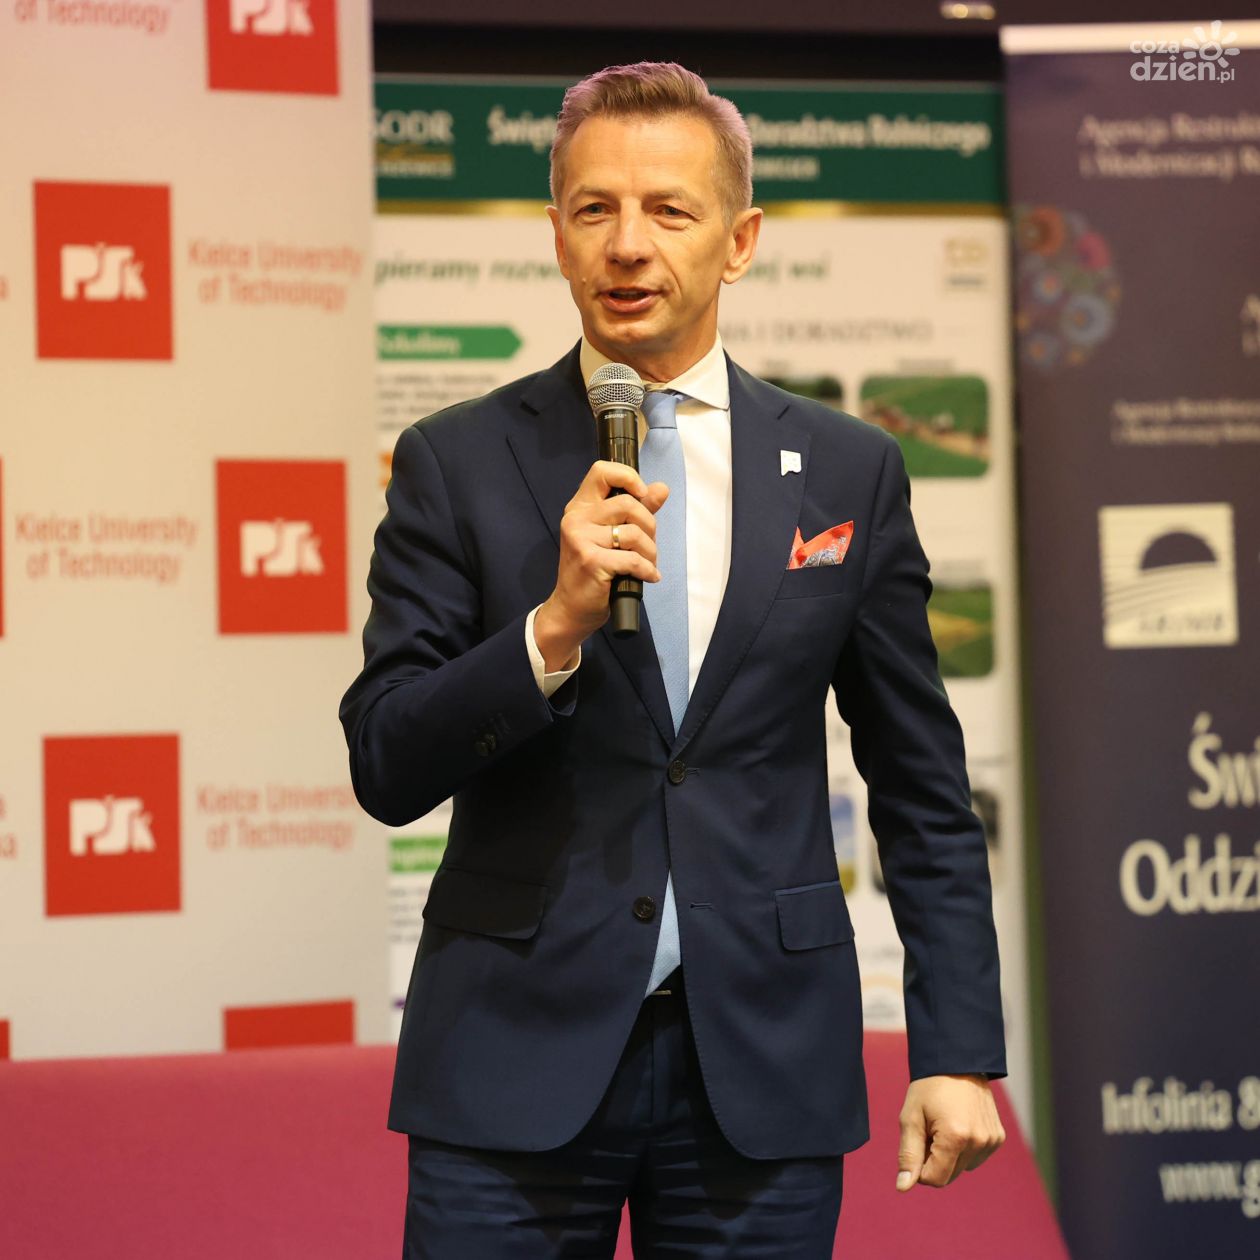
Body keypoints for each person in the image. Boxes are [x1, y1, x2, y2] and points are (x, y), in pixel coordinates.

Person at [341, 61, 1007, 1259]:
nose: (628, 245)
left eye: (669, 210)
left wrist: (957, 1048)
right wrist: (551, 629)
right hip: (509, 1060)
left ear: (739, 241)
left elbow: (920, 783)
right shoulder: (455, 461)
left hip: (761, 1064)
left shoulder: (848, 471)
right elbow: (386, 760)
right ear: (556, 235)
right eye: (594, 209)